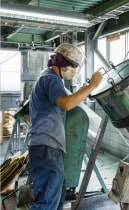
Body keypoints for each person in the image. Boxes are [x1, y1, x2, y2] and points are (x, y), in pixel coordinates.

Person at [27, 43, 103, 210]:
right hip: (47, 146)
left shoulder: (48, 78)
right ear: (63, 63)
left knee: (57, 197)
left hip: (48, 146)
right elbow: (66, 104)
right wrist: (92, 86)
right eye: (74, 66)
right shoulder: (51, 79)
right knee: (46, 202)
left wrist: (84, 90)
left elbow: (66, 100)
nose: (74, 70)